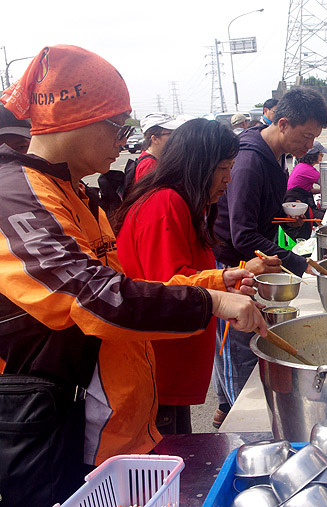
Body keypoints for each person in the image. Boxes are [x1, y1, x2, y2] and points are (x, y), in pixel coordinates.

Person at [0, 44, 266, 506]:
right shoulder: (16, 196)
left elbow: (129, 284)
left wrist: (214, 284)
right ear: (74, 119)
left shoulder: (74, 193)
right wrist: (211, 302)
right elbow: (94, 296)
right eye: (118, 126)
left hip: (111, 426)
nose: (124, 140)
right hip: (57, 430)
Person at [114, 118, 280, 435]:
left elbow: (184, 275)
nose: (229, 179)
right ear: (197, 165)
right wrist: (223, 284)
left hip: (170, 365)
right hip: (155, 367)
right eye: (222, 168)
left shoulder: (184, 204)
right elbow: (165, 287)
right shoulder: (164, 203)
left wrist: (226, 278)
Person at [212, 87, 327, 427]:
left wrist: (285, 219)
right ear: (282, 123)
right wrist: (297, 262)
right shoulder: (249, 160)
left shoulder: (275, 156)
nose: (309, 147)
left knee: (248, 336)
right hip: (231, 267)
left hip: (251, 262)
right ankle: (237, 421)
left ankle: (225, 407)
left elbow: (258, 215)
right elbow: (242, 233)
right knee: (239, 344)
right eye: (306, 137)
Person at [133, 112, 186, 183]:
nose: (175, 137)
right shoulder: (148, 165)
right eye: (170, 134)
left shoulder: (157, 159)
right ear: (154, 139)